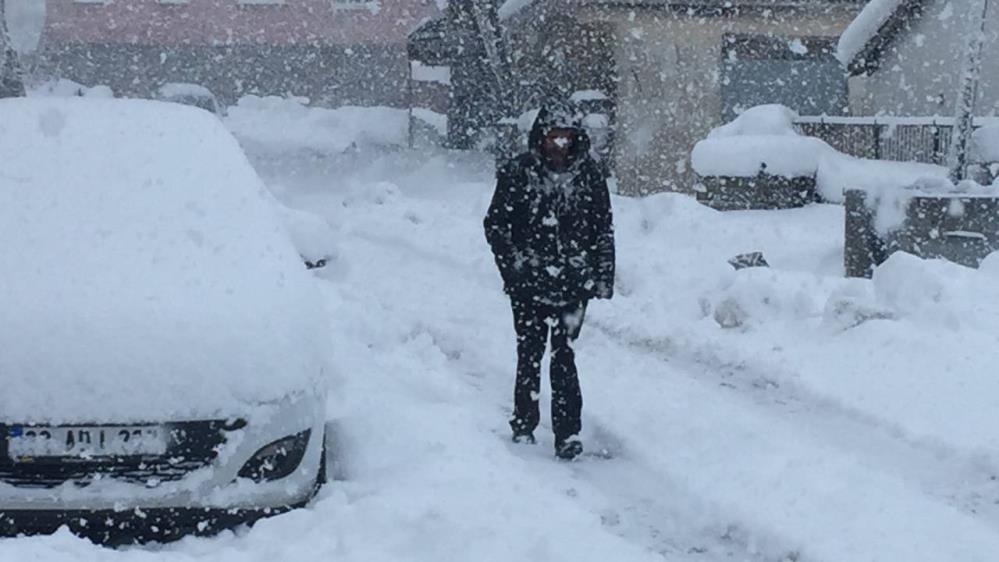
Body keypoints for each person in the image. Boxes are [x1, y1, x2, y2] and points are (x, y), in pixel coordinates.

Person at [484, 101, 615, 461]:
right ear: (540, 138)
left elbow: (603, 226)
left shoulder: (589, 174)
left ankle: (568, 432)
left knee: (564, 355)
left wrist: (602, 274)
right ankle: (524, 422)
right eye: (552, 138)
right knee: (529, 352)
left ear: (576, 139)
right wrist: (515, 268)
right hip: (528, 284)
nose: (559, 146)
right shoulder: (517, 173)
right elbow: (495, 225)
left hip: (574, 284)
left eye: (566, 138)